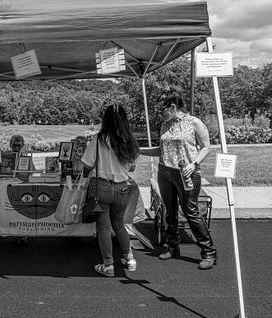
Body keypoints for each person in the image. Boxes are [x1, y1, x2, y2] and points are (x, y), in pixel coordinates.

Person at [141, 89, 217, 269]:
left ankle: (209, 252)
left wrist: (194, 164)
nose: (160, 113)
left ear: (173, 106)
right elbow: (161, 151)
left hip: (187, 173)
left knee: (190, 211)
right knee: (169, 211)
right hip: (165, 172)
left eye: (162, 109)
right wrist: (139, 151)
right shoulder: (165, 125)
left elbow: (206, 147)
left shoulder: (194, 123)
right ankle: (172, 246)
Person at [81, 104, 140, 277]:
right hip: (122, 187)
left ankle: (108, 265)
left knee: (104, 227)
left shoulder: (99, 139)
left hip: (102, 187)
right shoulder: (129, 141)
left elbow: (87, 164)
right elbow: (132, 168)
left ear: (105, 120)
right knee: (119, 223)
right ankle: (129, 258)